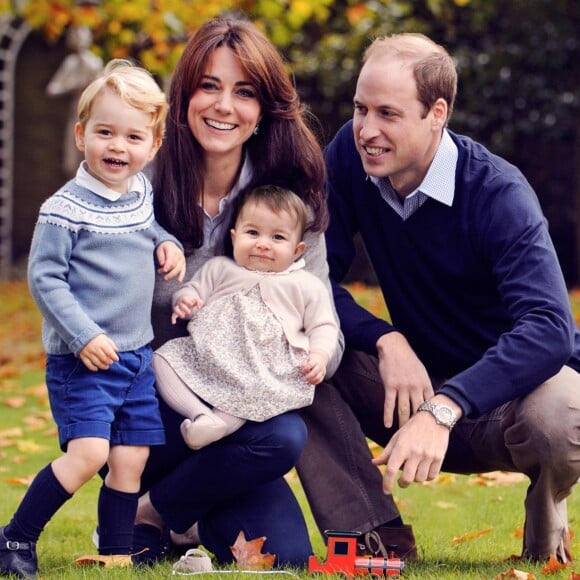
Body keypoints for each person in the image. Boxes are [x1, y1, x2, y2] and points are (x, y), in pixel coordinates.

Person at [297, 32, 580, 564]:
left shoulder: (498, 192)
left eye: (388, 113)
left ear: (437, 113)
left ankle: (543, 542)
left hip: (506, 404)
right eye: (360, 109)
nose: (367, 130)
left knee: (567, 412)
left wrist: (447, 406)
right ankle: (372, 538)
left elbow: (549, 326)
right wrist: (385, 339)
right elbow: (308, 283)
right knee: (293, 349)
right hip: (405, 387)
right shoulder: (349, 156)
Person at [128, 16, 344, 569]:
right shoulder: (139, 185)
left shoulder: (287, 203)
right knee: (263, 438)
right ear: (183, 97)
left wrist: (308, 356)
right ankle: (167, 506)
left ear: (262, 111)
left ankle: (156, 513)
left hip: (243, 421)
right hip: (151, 409)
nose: (224, 106)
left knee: (288, 548)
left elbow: (324, 319)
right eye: (209, 86)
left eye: (243, 92)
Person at [0, 59, 186, 579]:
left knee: (130, 462)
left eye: (133, 137)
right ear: (82, 134)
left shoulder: (139, 193)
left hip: (136, 357)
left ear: (152, 145)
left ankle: (116, 550)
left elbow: (146, 229)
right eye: (105, 132)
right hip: (85, 359)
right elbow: (45, 279)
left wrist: (166, 242)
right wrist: (82, 335)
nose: (117, 147)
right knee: (88, 453)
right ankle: (15, 537)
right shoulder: (64, 208)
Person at [154, 185, 340, 450]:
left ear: (298, 250)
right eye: (252, 233)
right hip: (208, 356)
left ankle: (218, 424)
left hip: (263, 367)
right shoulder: (220, 269)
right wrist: (185, 301)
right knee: (161, 360)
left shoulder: (305, 285)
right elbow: (192, 291)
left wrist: (319, 356)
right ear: (234, 236)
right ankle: (200, 415)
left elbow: (323, 325)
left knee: (253, 391)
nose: (262, 244)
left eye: (277, 238)